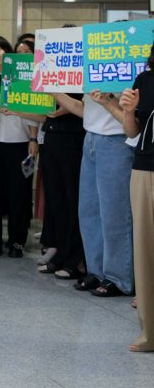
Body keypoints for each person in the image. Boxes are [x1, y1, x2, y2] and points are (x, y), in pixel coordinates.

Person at [55, 87, 135, 297]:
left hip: (116, 140)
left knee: (114, 213)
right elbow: (83, 109)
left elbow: (132, 114)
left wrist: (108, 100)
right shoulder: (92, 68)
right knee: (89, 212)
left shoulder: (123, 64)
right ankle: (97, 271)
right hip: (90, 137)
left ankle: (118, 277)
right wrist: (53, 92)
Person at [0, 35, 38, 258]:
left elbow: (33, 111)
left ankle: (17, 241)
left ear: (9, 53)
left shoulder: (21, 77)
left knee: (19, 195)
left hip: (19, 143)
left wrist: (33, 139)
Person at [120, 54, 154, 352]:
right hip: (145, 169)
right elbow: (133, 132)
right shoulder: (145, 79)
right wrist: (128, 111)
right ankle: (149, 332)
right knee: (145, 250)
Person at [38, 92, 86, 279]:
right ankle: (59, 251)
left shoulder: (79, 66)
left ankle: (74, 259)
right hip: (51, 133)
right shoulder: (53, 68)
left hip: (74, 135)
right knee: (55, 200)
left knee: (71, 199)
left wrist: (64, 106)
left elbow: (82, 104)